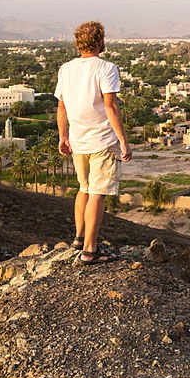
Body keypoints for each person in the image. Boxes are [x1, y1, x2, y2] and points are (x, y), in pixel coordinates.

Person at [54, 21, 132, 265]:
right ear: (100, 41)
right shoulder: (106, 68)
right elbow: (110, 106)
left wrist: (63, 136)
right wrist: (123, 141)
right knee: (97, 193)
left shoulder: (66, 69)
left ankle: (79, 238)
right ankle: (90, 250)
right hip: (102, 140)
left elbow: (62, 106)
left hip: (79, 140)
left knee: (84, 188)